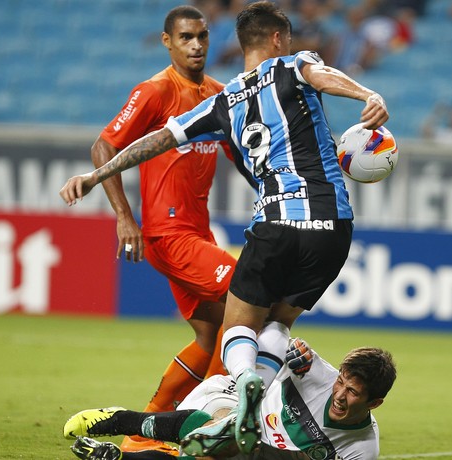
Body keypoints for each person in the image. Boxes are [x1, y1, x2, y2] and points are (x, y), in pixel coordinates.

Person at [59, 1, 390, 455]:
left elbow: (155, 141)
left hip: (276, 220)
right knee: (279, 321)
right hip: (333, 222)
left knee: (238, 325)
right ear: (278, 38)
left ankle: (241, 386)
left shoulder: (221, 101)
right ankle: (226, 402)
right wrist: (368, 95)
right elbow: (323, 74)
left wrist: (95, 176)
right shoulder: (294, 66)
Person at [86, 5, 238, 454]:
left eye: (202, 37)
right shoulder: (155, 91)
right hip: (168, 235)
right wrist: (123, 216)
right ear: (167, 41)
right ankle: (198, 424)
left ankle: (142, 433)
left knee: (213, 336)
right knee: (247, 305)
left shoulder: (217, 95)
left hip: (198, 234)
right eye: (186, 37)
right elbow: (103, 145)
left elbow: (242, 155)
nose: (196, 45)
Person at [63, 340, 397, 460]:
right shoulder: (313, 368)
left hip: (259, 452)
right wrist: (287, 345)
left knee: (216, 453)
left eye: (352, 393)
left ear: (374, 403)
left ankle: (115, 458)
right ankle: (122, 420)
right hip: (226, 398)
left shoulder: (362, 449)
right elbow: (267, 337)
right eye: (341, 381)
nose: (339, 394)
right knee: (224, 431)